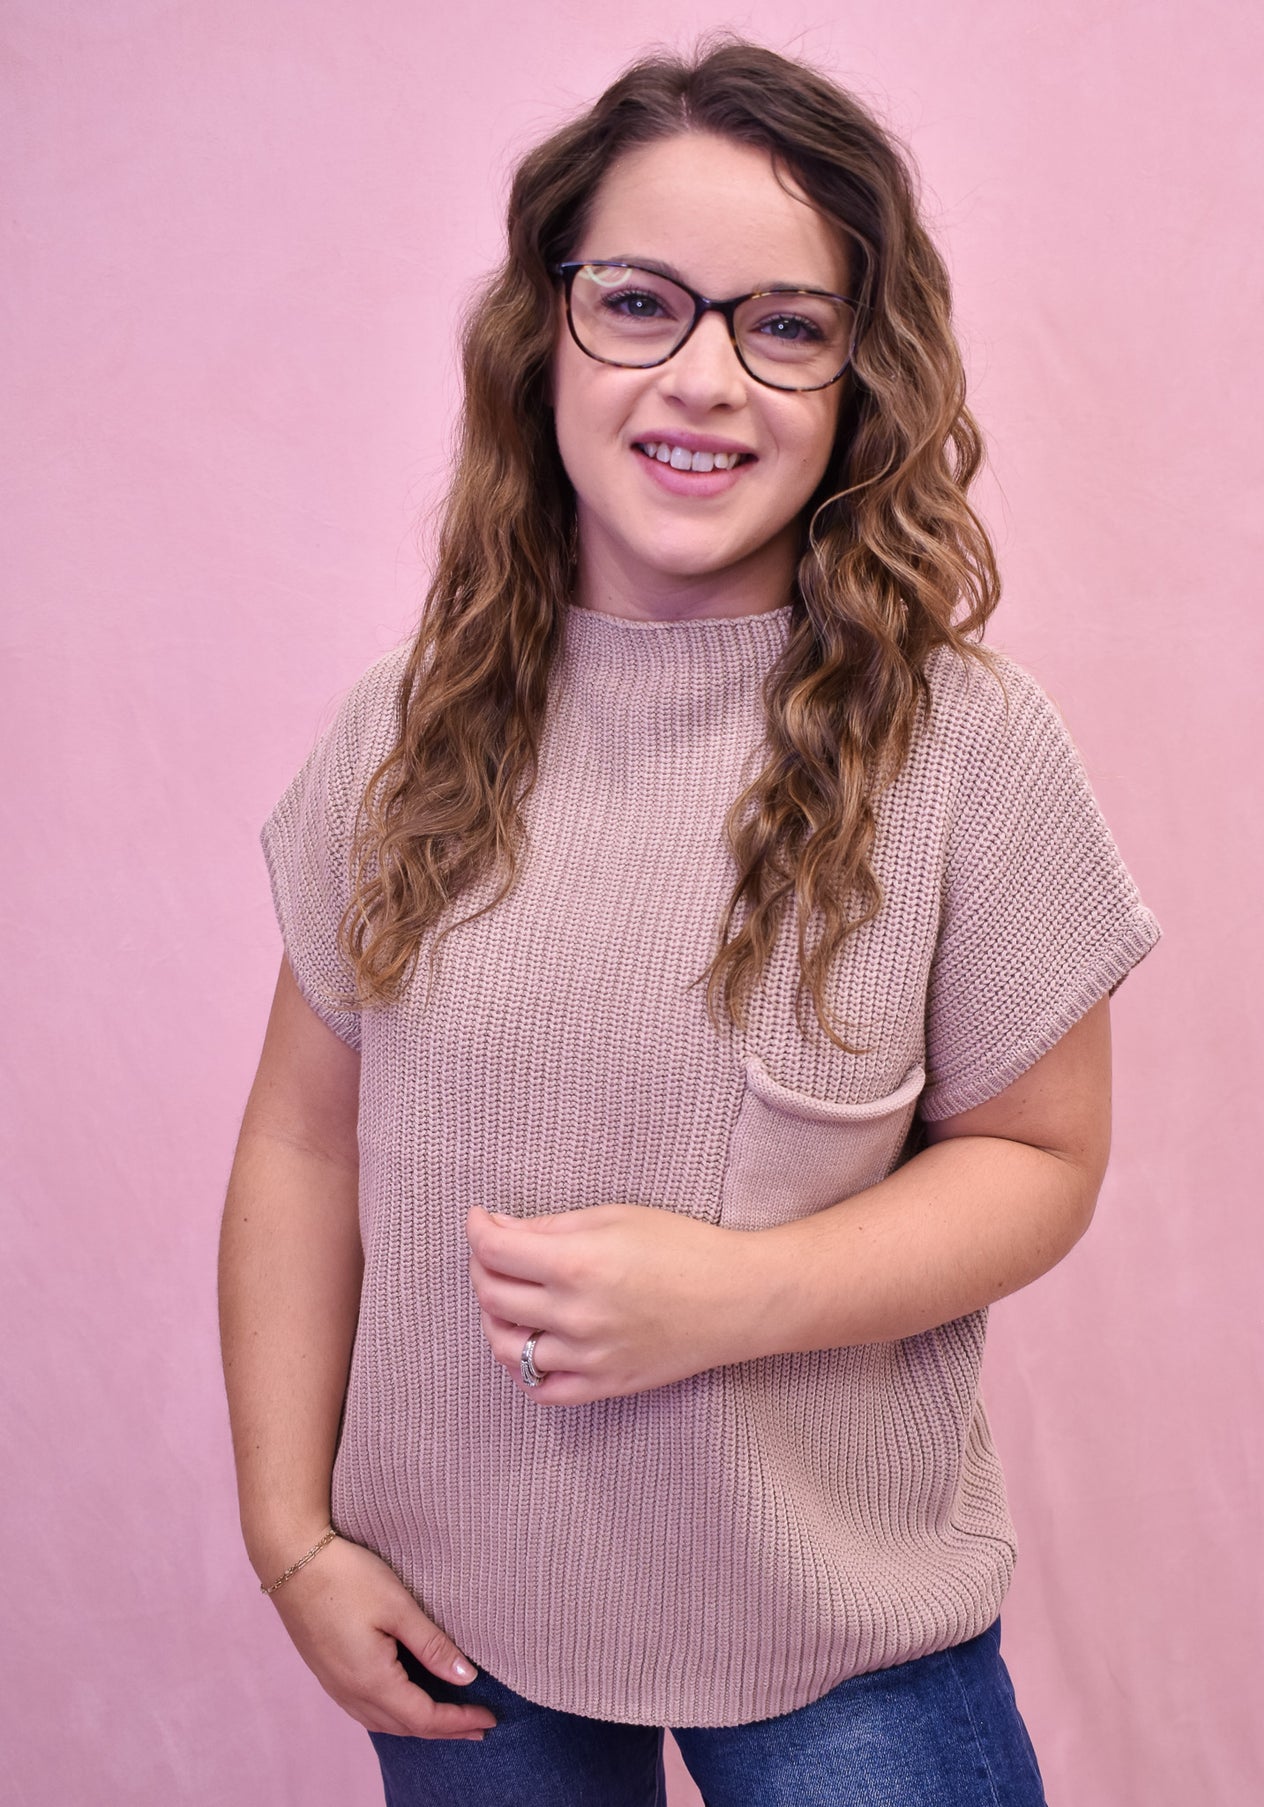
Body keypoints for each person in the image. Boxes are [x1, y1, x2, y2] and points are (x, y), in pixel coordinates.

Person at [218, 34, 1161, 1807]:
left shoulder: (963, 744)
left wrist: (732, 1297)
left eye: (784, 325)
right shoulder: (405, 731)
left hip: (835, 1635)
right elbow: (301, 1144)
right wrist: (292, 1539)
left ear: (860, 378)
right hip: (459, 1627)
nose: (705, 378)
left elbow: (1040, 1156)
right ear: (545, 335)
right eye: (640, 303)